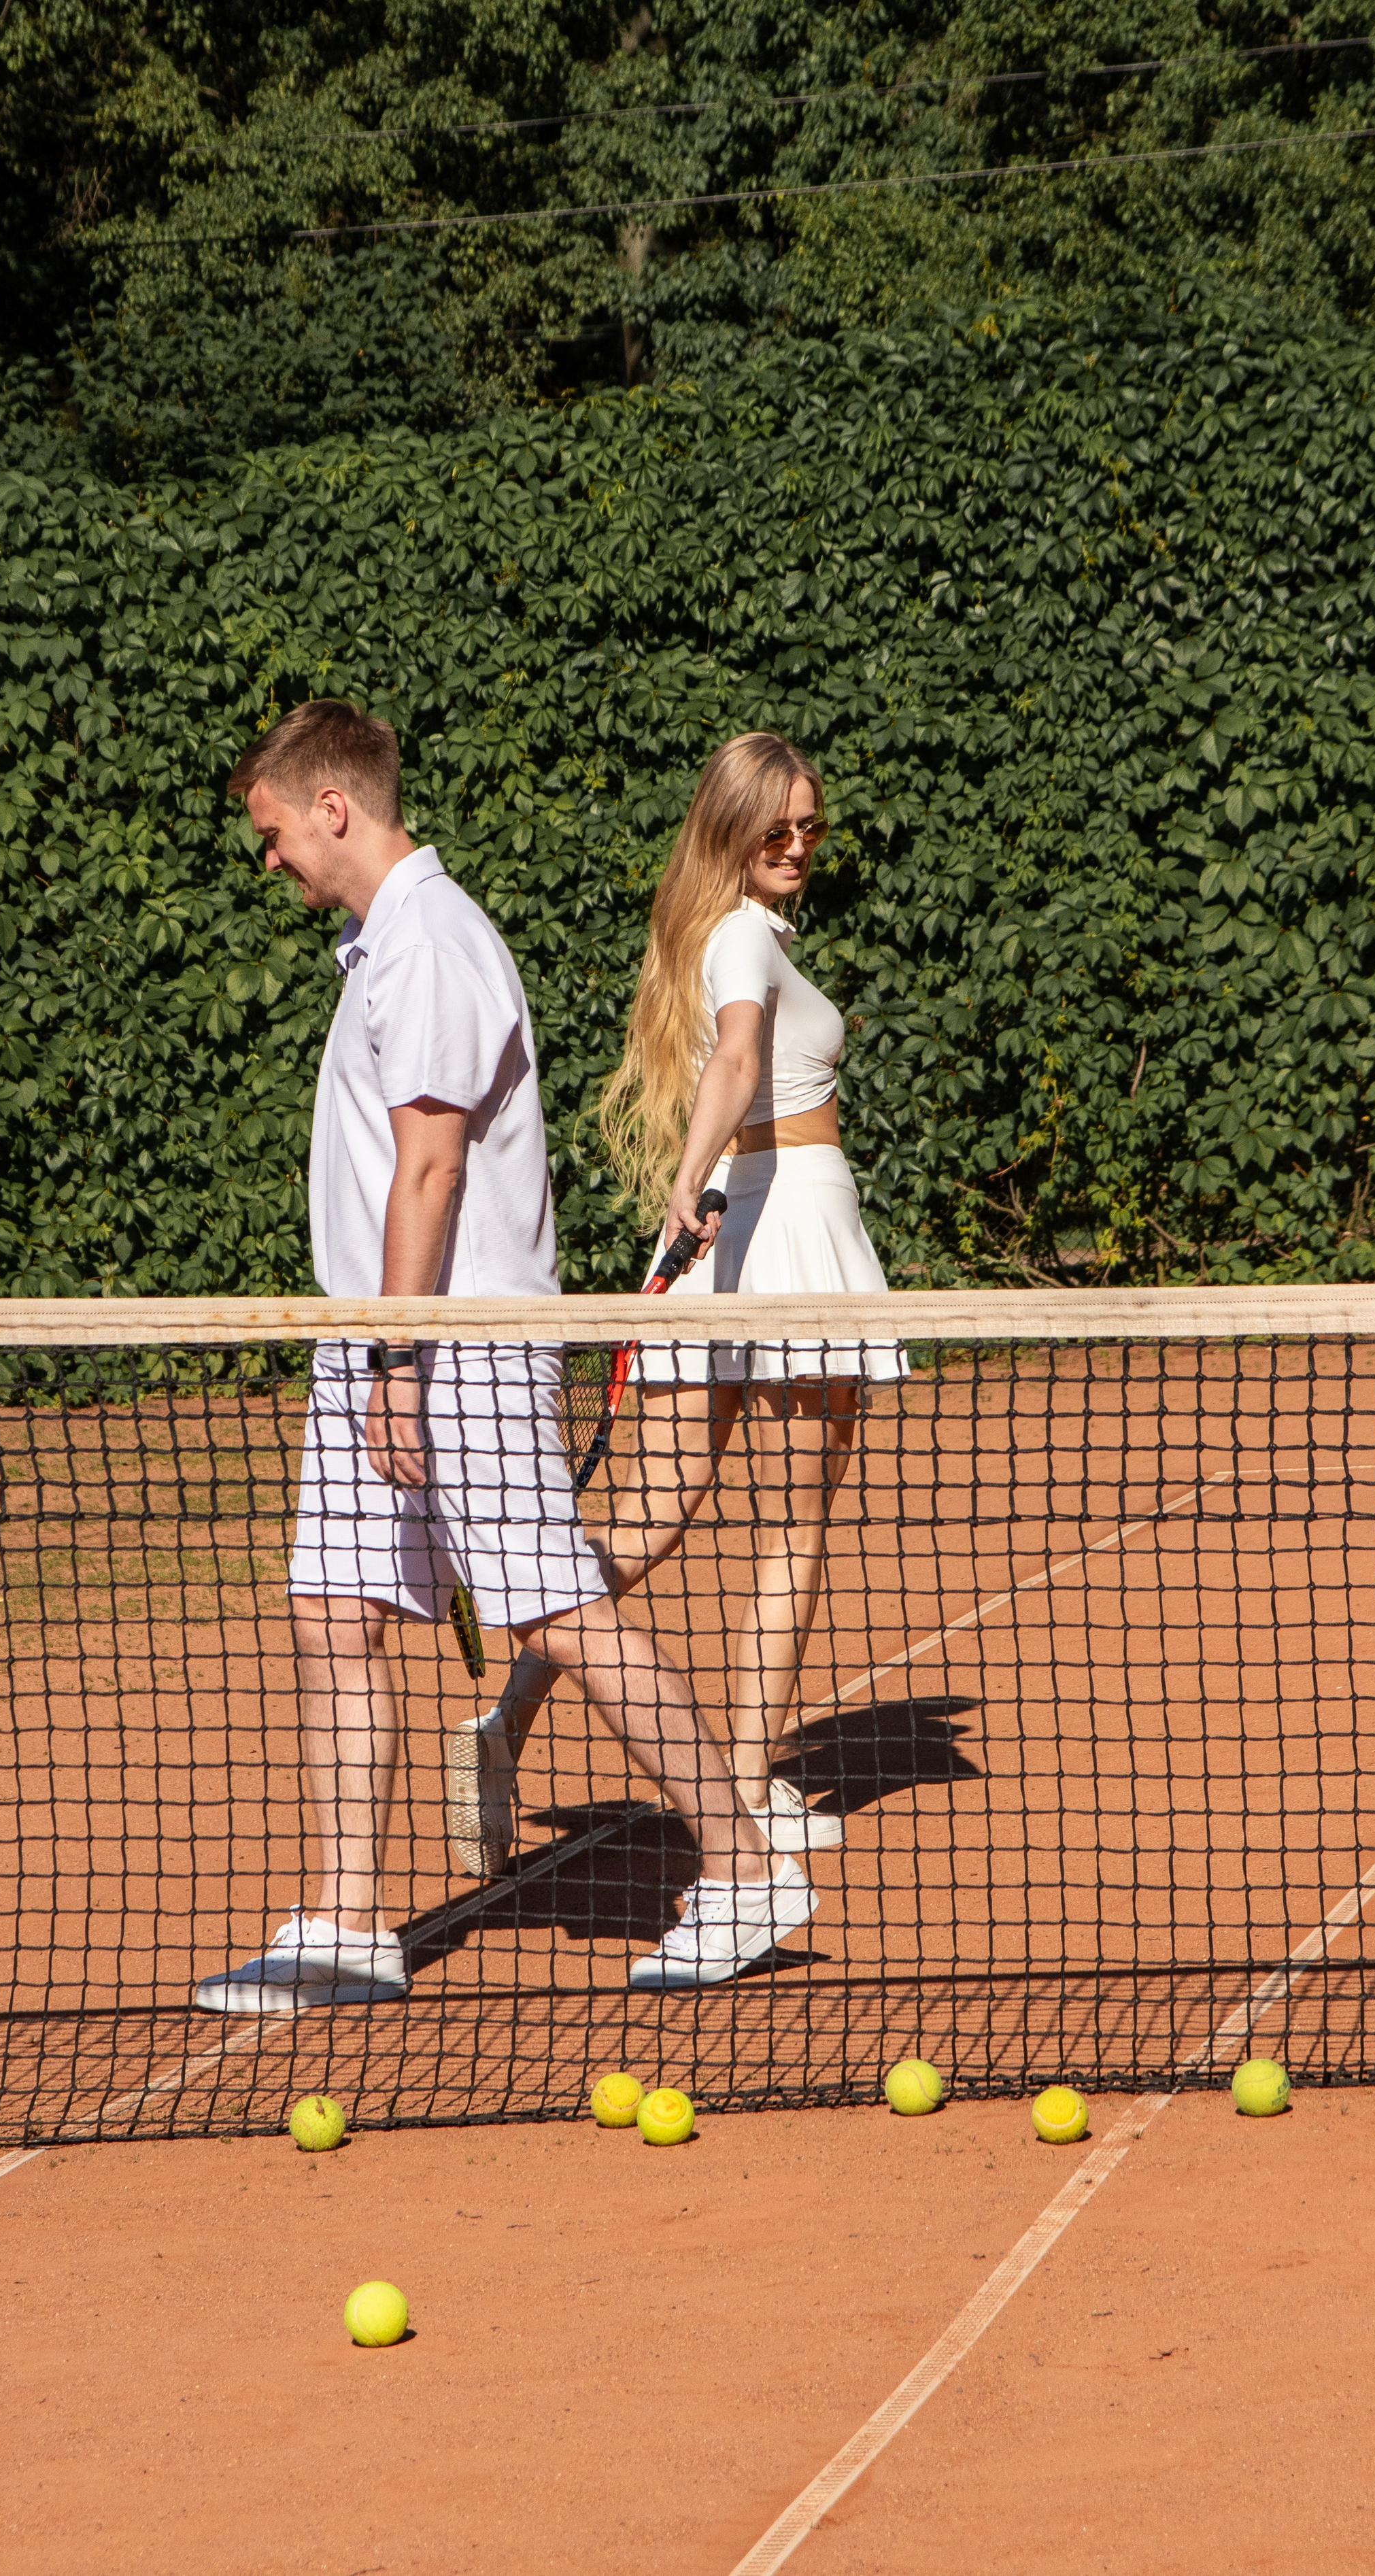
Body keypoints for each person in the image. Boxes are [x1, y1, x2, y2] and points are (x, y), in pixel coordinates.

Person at [192, 699, 816, 2012]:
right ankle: (352, 1924)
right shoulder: (384, 945)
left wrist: (401, 1364)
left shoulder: (428, 949)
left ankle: (749, 1867)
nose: (272, 862)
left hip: (447, 1345)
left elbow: (431, 1166)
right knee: (333, 1615)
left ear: (334, 809)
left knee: (556, 1609)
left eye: (275, 835)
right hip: (387, 1340)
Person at [449, 728, 905, 1879]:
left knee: (650, 1517)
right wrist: (689, 1178)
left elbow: (732, 1062)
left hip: (735, 1234)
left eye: (810, 828)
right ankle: (743, 1789)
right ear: (733, 830)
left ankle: (505, 1725)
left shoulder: (719, 935)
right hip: (787, 1223)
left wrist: (692, 1194)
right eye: (776, 828)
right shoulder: (745, 938)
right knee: (792, 1527)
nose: (797, 845)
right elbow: (740, 1062)